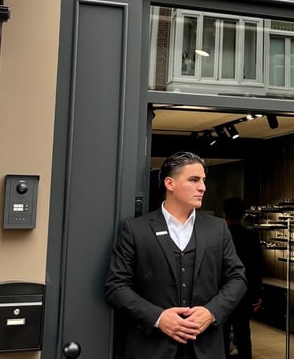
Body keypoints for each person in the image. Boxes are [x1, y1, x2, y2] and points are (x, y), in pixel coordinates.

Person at [105, 152, 247, 359]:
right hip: (151, 349)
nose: (203, 187)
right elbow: (115, 287)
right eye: (194, 180)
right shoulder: (136, 230)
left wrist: (211, 312)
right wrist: (158, 317)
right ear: (169, 183)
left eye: (203, 180)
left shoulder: (218, 229)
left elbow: (238, 278)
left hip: (206, 349)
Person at [221, 197, 263, 359]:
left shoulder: (222, 237)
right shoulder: (251, 237)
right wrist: (257, 295)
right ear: (243, 215)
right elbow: (257, 268)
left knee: (222, 335)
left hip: (223, 293)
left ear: (224, 215)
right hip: (244, 294)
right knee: (243, 335)